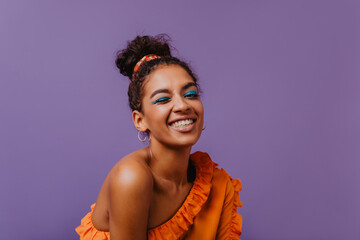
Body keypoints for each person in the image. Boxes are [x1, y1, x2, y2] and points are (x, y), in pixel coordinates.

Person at [75, 34, 242, 240]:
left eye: (190, 94)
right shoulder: (132, 178)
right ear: (140, 120)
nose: (183, 106)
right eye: (163, 99)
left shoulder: (216, 184)